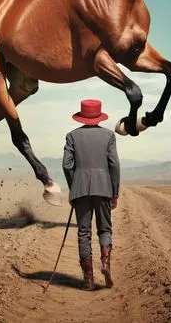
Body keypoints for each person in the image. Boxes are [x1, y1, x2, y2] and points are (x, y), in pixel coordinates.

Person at [62, 99, 120, 291]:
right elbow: (114, 165)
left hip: (81, 191)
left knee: (83, 232)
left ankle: (88, 280)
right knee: (104, 230)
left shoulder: (72, 136)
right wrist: (115, 192)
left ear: (81, 116)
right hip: (104, 188)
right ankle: (105, 265)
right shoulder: (109, 136)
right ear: (99, 115)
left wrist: (74, 186)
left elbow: (66, 165)